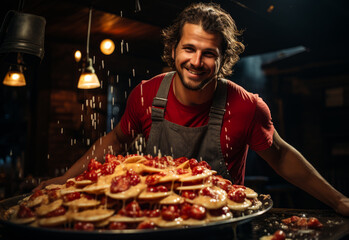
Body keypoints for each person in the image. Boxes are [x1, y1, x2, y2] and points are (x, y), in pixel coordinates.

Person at [36, 2, 349, 216]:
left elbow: (280, 155)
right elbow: (116, 140)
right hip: (154, 225)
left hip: (220, 225)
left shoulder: (247, 106)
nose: (197, 62)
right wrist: (65, 180)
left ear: (223, 58)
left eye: (209, 53)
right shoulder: (144, 95)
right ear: (173, 50)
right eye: (189, 48)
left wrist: (339, 201)